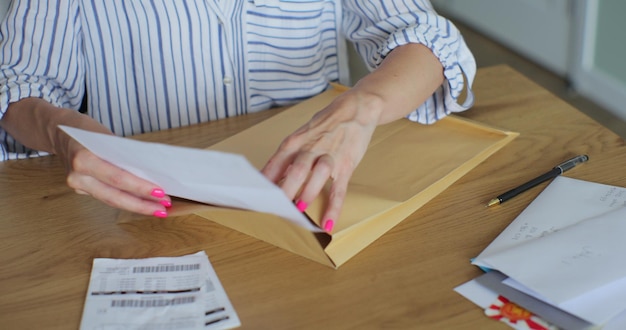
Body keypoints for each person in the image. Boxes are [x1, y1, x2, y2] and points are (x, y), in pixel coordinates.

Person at [0, 0, 475, 233]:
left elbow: (427, 37)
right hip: (150, 215)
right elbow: (18, 84)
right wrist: (66, 135)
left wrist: (363, 107)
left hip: (303, 203)